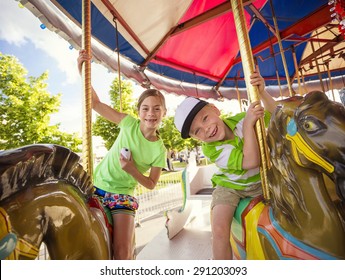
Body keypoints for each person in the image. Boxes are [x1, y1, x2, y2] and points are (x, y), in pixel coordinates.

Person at [174, 66, 277, 259]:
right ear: (197, 139)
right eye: (197, 131)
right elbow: (252, 161)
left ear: (215, 109)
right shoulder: (211, 148)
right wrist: (249, 125)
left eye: (205, 118)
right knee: (219, 229)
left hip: (262, 181)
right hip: (231, 187)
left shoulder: (239, 120)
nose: (206, 129)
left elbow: (278, 115)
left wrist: (262, 92)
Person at [78, 50, 167, 260]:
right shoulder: (128, 124)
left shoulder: (159, 149)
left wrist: (131, 169)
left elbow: (151, 183)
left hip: (122, 196)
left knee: (122, 251)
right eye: (145, 109)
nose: (150, 114)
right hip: (96, 186)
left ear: (164, 113)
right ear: (138, 112)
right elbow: (96, 104)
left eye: (156, 109)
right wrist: (83, 70)